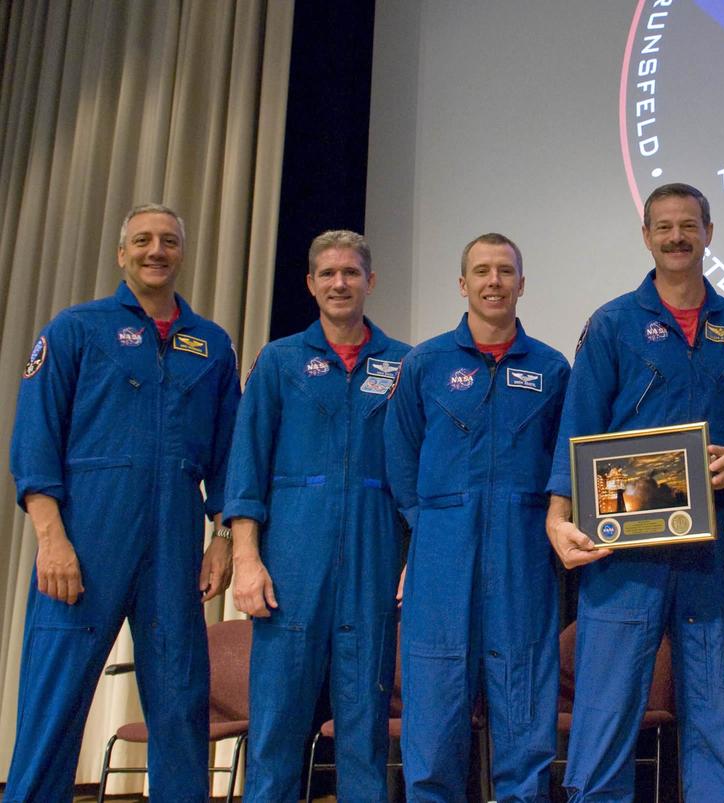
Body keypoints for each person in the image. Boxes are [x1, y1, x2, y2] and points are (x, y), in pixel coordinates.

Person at [545, 183, 724, 801]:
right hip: (624, 547)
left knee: (715, 711)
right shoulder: (613, 324)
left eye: (689, 225)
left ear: (709, 231)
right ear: (646, 236)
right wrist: (557, 515)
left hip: (712, 549)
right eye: (664, 227)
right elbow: (579, 425)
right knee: (606, 712)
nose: (677, 237)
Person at [6, 203, 241, 801]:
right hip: (88, 537)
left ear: (182, 254)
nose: (155, 250)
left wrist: (222, 538)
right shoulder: (75, 329)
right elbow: (35, 440)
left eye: (167, 241)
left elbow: (230, 452)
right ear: (121, 254)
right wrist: (51, 538)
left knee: (181, 699)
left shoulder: (210, 345)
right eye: (142, 240)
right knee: (55, 698)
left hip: (175, 540)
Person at [223, 230, 408, 801]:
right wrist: (245, 559)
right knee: (277, 722)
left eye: (351, 273)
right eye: (327, 273)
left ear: (370, 281)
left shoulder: (406, 365)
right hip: (292, 563)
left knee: (364, 725)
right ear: (309, 283)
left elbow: (421, 475)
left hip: (375, 557)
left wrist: (414, 559)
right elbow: (246, 467)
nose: (339, 283)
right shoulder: (279, 362)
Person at [385, 233, 570, 801]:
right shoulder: (425, 363)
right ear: (463, 284)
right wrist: (431, 530)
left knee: (524, 709)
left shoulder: (552, 368)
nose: (494, 281)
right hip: (443, 552)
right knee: (435, 709)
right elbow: (400, 455)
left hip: (523, 555)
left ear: (521, 284)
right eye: (482, 272)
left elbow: (566, 461)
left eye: (505, 271)